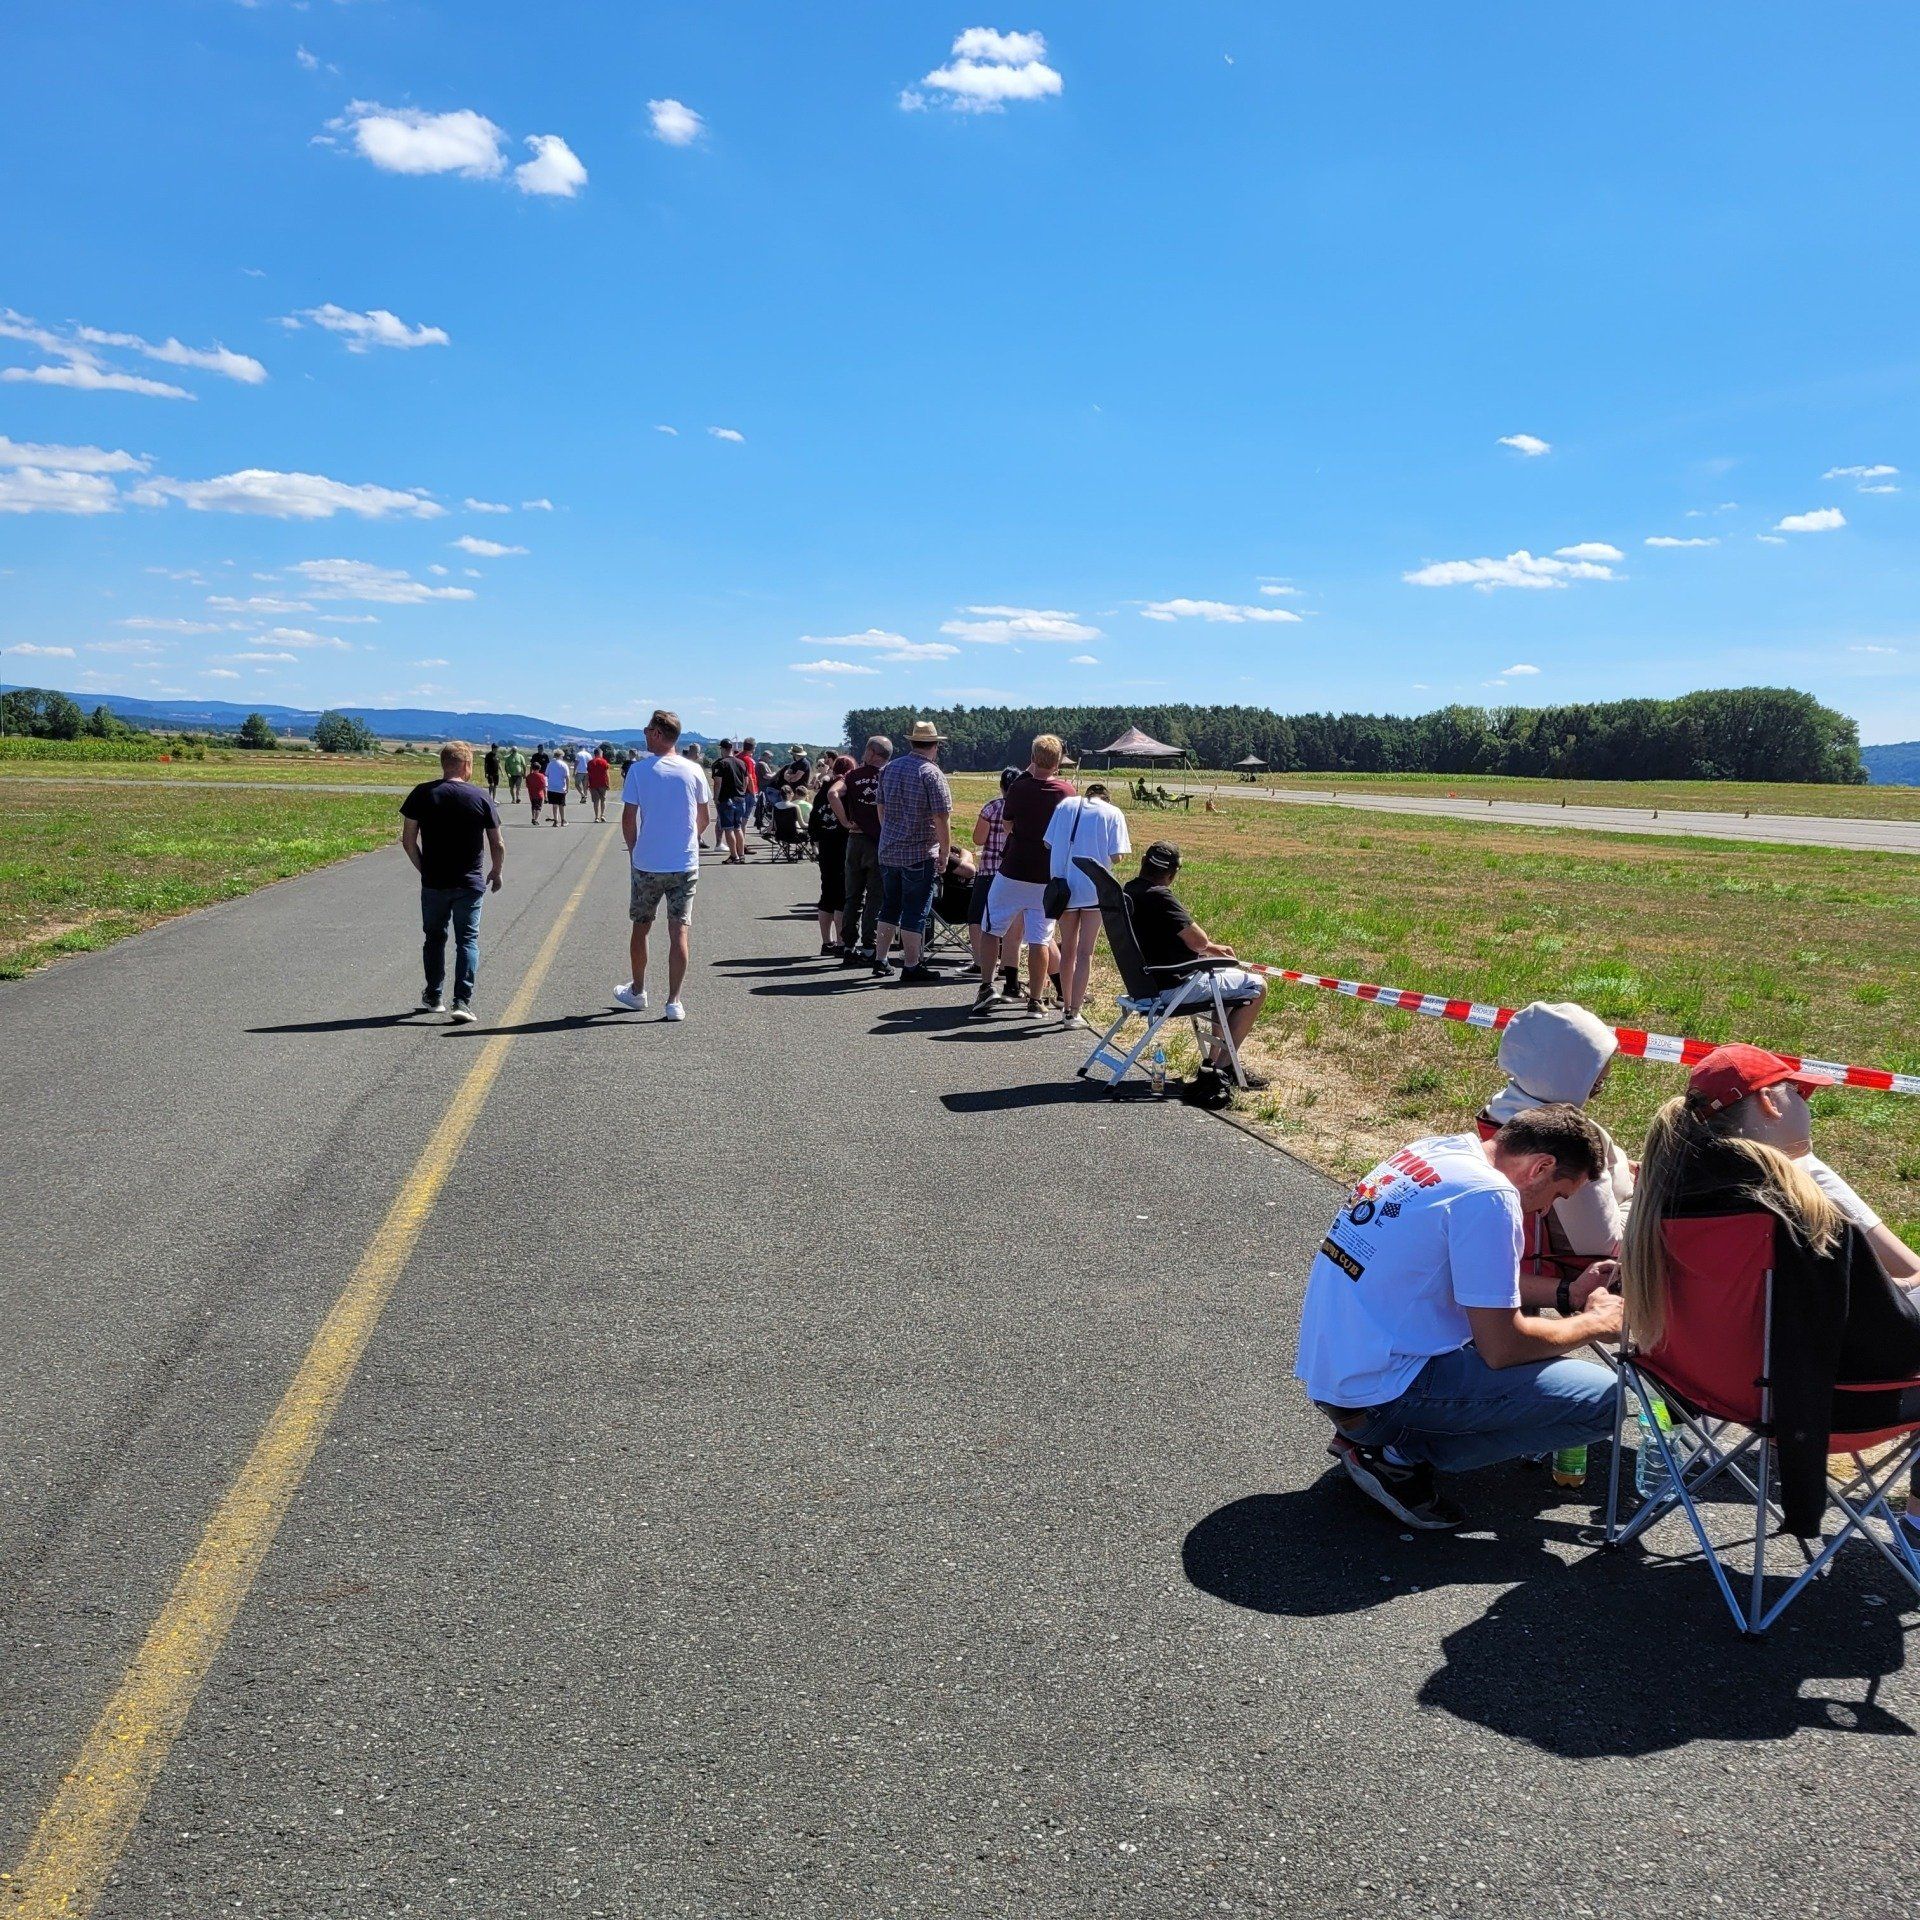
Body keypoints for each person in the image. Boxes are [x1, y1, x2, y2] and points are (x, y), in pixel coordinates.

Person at [1622, 1044, 1920, 1536]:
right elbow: (1891, 1343)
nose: (1808, 1106)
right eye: (1799, 1093)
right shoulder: (1799, 1213)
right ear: (1768, 1103)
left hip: (1702, 1388)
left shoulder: (1663, 1195)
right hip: (1822, 1402)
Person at [1296, 1106, 1626, 1530]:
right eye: (1558, 1195)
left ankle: (1380, 1437)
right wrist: (1596, 1322)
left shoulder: (1437, 1152)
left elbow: (1469, 1276)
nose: (1545, 1210)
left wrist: (1567, 1293)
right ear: (1541, 1167)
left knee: (1519, 1337)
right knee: (1606, 1401)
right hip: (1380, 1394)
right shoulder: (1490, 1196)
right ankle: (1399, 1455)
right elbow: (1503, 1348)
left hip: (1340, 1375)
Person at [1476, 1001, 1635, 1282]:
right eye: (1595, 1085)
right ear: (1570, 1076)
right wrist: (1641, 1195)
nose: (1595, 1093)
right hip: (1571, 1272)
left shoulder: (1500, 1108)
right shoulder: (1569, 1141)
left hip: (1517, 1260)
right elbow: (1605, 1244)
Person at [1119, 841, 1269, 1083]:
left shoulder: (1129, 891)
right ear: (1172, 873)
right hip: (1173, 987)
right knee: (1257, 986)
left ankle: (1213, 1061)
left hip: (1144, 984)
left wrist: (1212, 950)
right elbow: (1198, 941)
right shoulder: (1160, 896)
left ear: (1143, 861)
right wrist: (1208, 948)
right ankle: (1226, 1068)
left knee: (1223, 982)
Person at [613, 709, 712, 1024]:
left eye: (647, 730)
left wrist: (634, 851)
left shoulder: (639, 771)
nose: (644, 734)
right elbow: (704, 818)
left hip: (648, 863)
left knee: (641, 927)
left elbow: (629, 818)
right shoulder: (694, 770)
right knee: (678, 931)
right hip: (684, 863)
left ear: (657, 734)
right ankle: (674, 1001)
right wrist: (687, 840)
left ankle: (638, 990)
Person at [398, 741, 503, 1025]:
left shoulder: (422, 793)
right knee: (467, 940)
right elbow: (497, 843)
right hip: (469, 882)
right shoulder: (480, 796)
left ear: (444, 764)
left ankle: (434, 995)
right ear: (467, 765)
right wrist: (496, 871)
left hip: (434, 882)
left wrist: (424, 869)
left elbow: (408, 841)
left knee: (434, 938)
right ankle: (462, 1001)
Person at [984, 735, 1074, 1017]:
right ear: (1059, 762)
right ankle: (1036, 999)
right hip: (1046, 875)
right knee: (1040, 938)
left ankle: (986, 985)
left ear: (1033, 758)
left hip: (1014, 869)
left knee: (992, 927)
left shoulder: (1018, 787)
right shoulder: (1067, 792)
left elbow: (1007, 824)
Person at [1044, 779, 1132, 1030]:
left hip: (1063, 887)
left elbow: (1048, 842)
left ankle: (1065, 1005)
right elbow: (1117, 856)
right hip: (1094, 888)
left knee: (1068, 950)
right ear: (1106, 798)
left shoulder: (1065, 806)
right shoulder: (1113, 813)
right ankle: (1075, 1011)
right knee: (1086, 952)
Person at [871, 720, 952, 984]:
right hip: (919, 851)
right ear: (935, 745)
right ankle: (911, 964)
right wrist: (945, 852)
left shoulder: (889, 768)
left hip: (889, 850)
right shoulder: (931, 773)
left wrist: (890, 833)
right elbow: (941, 816)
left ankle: (880, 958)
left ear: (912, 742)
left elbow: (881, 807)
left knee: (889, 905)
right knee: (915, 910)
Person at [966, 767, 1024, 1016]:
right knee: (1012, 928)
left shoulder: (991, 808)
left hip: (989, 870)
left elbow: (978, 839)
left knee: (979, 918)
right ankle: (1009, 973)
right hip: (1013, 871)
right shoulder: (1024, 808)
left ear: (1001, 786)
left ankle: (981, 963)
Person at [834, 735, 891, 964]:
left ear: (871, 753)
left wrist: (845, 821)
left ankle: (848, 945)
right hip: (879, 841)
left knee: (853, 896)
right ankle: (869, 946)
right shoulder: (888, 776)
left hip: (856, 839)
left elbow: (832, 793)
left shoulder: (852, 776)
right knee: (875, 897)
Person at [586, 746, 612, 823]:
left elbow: (588, 774)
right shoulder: (604, 762)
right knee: (603, 800)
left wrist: (586, 784)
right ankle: (602, 815)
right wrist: (608, 784)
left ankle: (596, 817)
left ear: (594, 754)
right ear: (600, 753)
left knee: (595, 801)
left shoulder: (590, 763)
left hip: (593, 784)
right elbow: (607, 774)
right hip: (603, 784)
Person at [545, 747, 569, 824]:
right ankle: (562, 820)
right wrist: (567, 788)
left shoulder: (550, 764)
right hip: (560, 788)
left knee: (554, 805)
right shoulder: (564, 765)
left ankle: (555, 820)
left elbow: (546, 774)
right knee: (561, 804)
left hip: (551, 787)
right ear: (561, 756)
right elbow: (567, 777)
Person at [523, 755, 547, 825]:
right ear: (539, 768)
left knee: (533, 806)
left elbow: (527, 785)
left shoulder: (529, 776)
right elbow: (544, 786)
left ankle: (533, 817)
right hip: (539, 794)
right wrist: (546, 796)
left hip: (531, 794)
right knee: (538, 808)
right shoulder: (542, 776)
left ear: (532, 768)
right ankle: (536, 819)